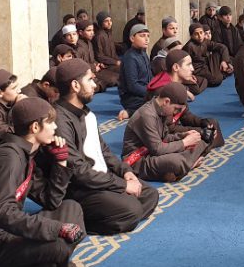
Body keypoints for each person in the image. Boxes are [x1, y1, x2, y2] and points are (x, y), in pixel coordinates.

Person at [0, 98, 85, 267]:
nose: (55, 127)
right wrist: (57, 229)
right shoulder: (8, 158)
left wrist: (60, 161)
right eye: (50, 122)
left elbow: (51, 201)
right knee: (59, 246)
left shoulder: (26, 153)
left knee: (71, 207)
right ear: (35, 127)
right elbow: (5, 214)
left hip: (6, 231)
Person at [53, 59, 159, 234]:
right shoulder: (60, 120)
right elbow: (79, 172)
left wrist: (125, 172)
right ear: (75, 85)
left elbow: (103, 150)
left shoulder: (85, 112)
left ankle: (118, 212)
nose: (95, 85)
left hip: (101, 179)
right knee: (132, 210)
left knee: (150, 194)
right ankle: (79, 221)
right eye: (90, 80)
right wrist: (122, 186)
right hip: (80, 189)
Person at [122, 82, 211, 182]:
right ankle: (189, 165)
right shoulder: (146, 115)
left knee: (200, 142)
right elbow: (157, 149)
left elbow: (164, 138)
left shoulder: (161, 110)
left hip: (153, 151)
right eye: (176, 109)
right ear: (166, 101)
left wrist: (183, 136)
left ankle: (181, 168)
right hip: (138, 159)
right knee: (176, 161)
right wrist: (184, 142)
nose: (175, 113)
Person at [119, 24, 153, 119]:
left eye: (148, 36)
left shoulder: (144, 54)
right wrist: (151, 93)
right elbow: (132, 86)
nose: (146, 39)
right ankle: (131, 112)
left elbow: (150, 77)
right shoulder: (130, 57)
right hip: (132, 98)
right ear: (132, 38)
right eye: (142, 36)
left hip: (145, 94)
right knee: (161, 104)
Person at [183, 23, 232, 88]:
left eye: (201, 33)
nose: (200, 36)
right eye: (196, 34)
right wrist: (189, 75)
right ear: (191, 36)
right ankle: (222, 73)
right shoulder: (189, 47)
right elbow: (184, 64)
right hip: (198, 69)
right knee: (215, 80)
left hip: (207, 65)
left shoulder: (205, 41)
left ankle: (223, 70)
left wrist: (224, 61)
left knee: (219, 52)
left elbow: (223, 47)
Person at [75, 20, 117, 92]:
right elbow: (80, 65)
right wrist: (94, 68)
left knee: (116, 77)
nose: (92, 33)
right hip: (88, 72)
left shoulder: (89, 43)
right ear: (80, 32)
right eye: (89, 30)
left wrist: (98, 64)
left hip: (95, 69)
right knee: (112, 80)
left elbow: (92, 59)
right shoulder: (78, 46)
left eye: (92, 30)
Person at [93, 11, 121, 80]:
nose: (109, 23)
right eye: (106, 21)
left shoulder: (109, 34)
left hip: (113, 63)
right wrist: (115, 62)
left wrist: (118, 60)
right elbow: (99, 56)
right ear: (101, 23)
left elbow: (113, 52)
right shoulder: (99, 36)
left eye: (110, 20)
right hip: (106, 65)